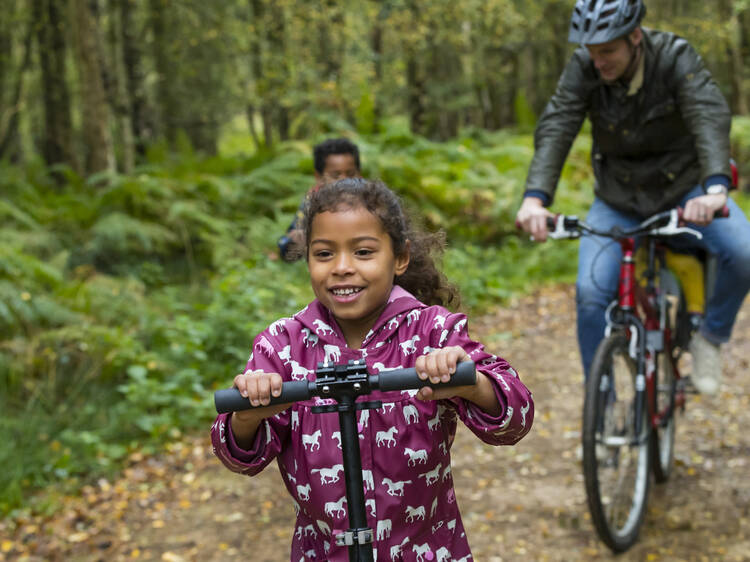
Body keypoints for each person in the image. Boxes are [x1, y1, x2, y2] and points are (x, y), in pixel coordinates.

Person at [212, 178, 534, 561]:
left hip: (426, 552)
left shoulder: (433, 331)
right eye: (324, 254)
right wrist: (248, 415)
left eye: (363, 252)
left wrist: (470, 383)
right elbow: (236, 455)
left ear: (399, 257)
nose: (342, 268)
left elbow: (514, 419)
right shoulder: (283, 345)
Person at [515, 0, 750, 394]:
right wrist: (535, 198)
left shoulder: (675, 56)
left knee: (743, 253)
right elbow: (558, 124)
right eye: (592, 52)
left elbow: (707, 116)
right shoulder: (584, 68)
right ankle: (600, 401)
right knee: (591, 296)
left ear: (635, 37)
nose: (598, 62)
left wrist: (714, 187)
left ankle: (709, 338)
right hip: (619, 198)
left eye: (608, 51)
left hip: (686, 189)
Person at [277, 138, 362, 261]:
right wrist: (298, 241)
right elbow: (288, 252)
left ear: (359, 173)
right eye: (335, 175)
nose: (345, 181)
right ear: (318, 177)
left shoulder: (371, 200)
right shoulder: (312, 203)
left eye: (350, 174)